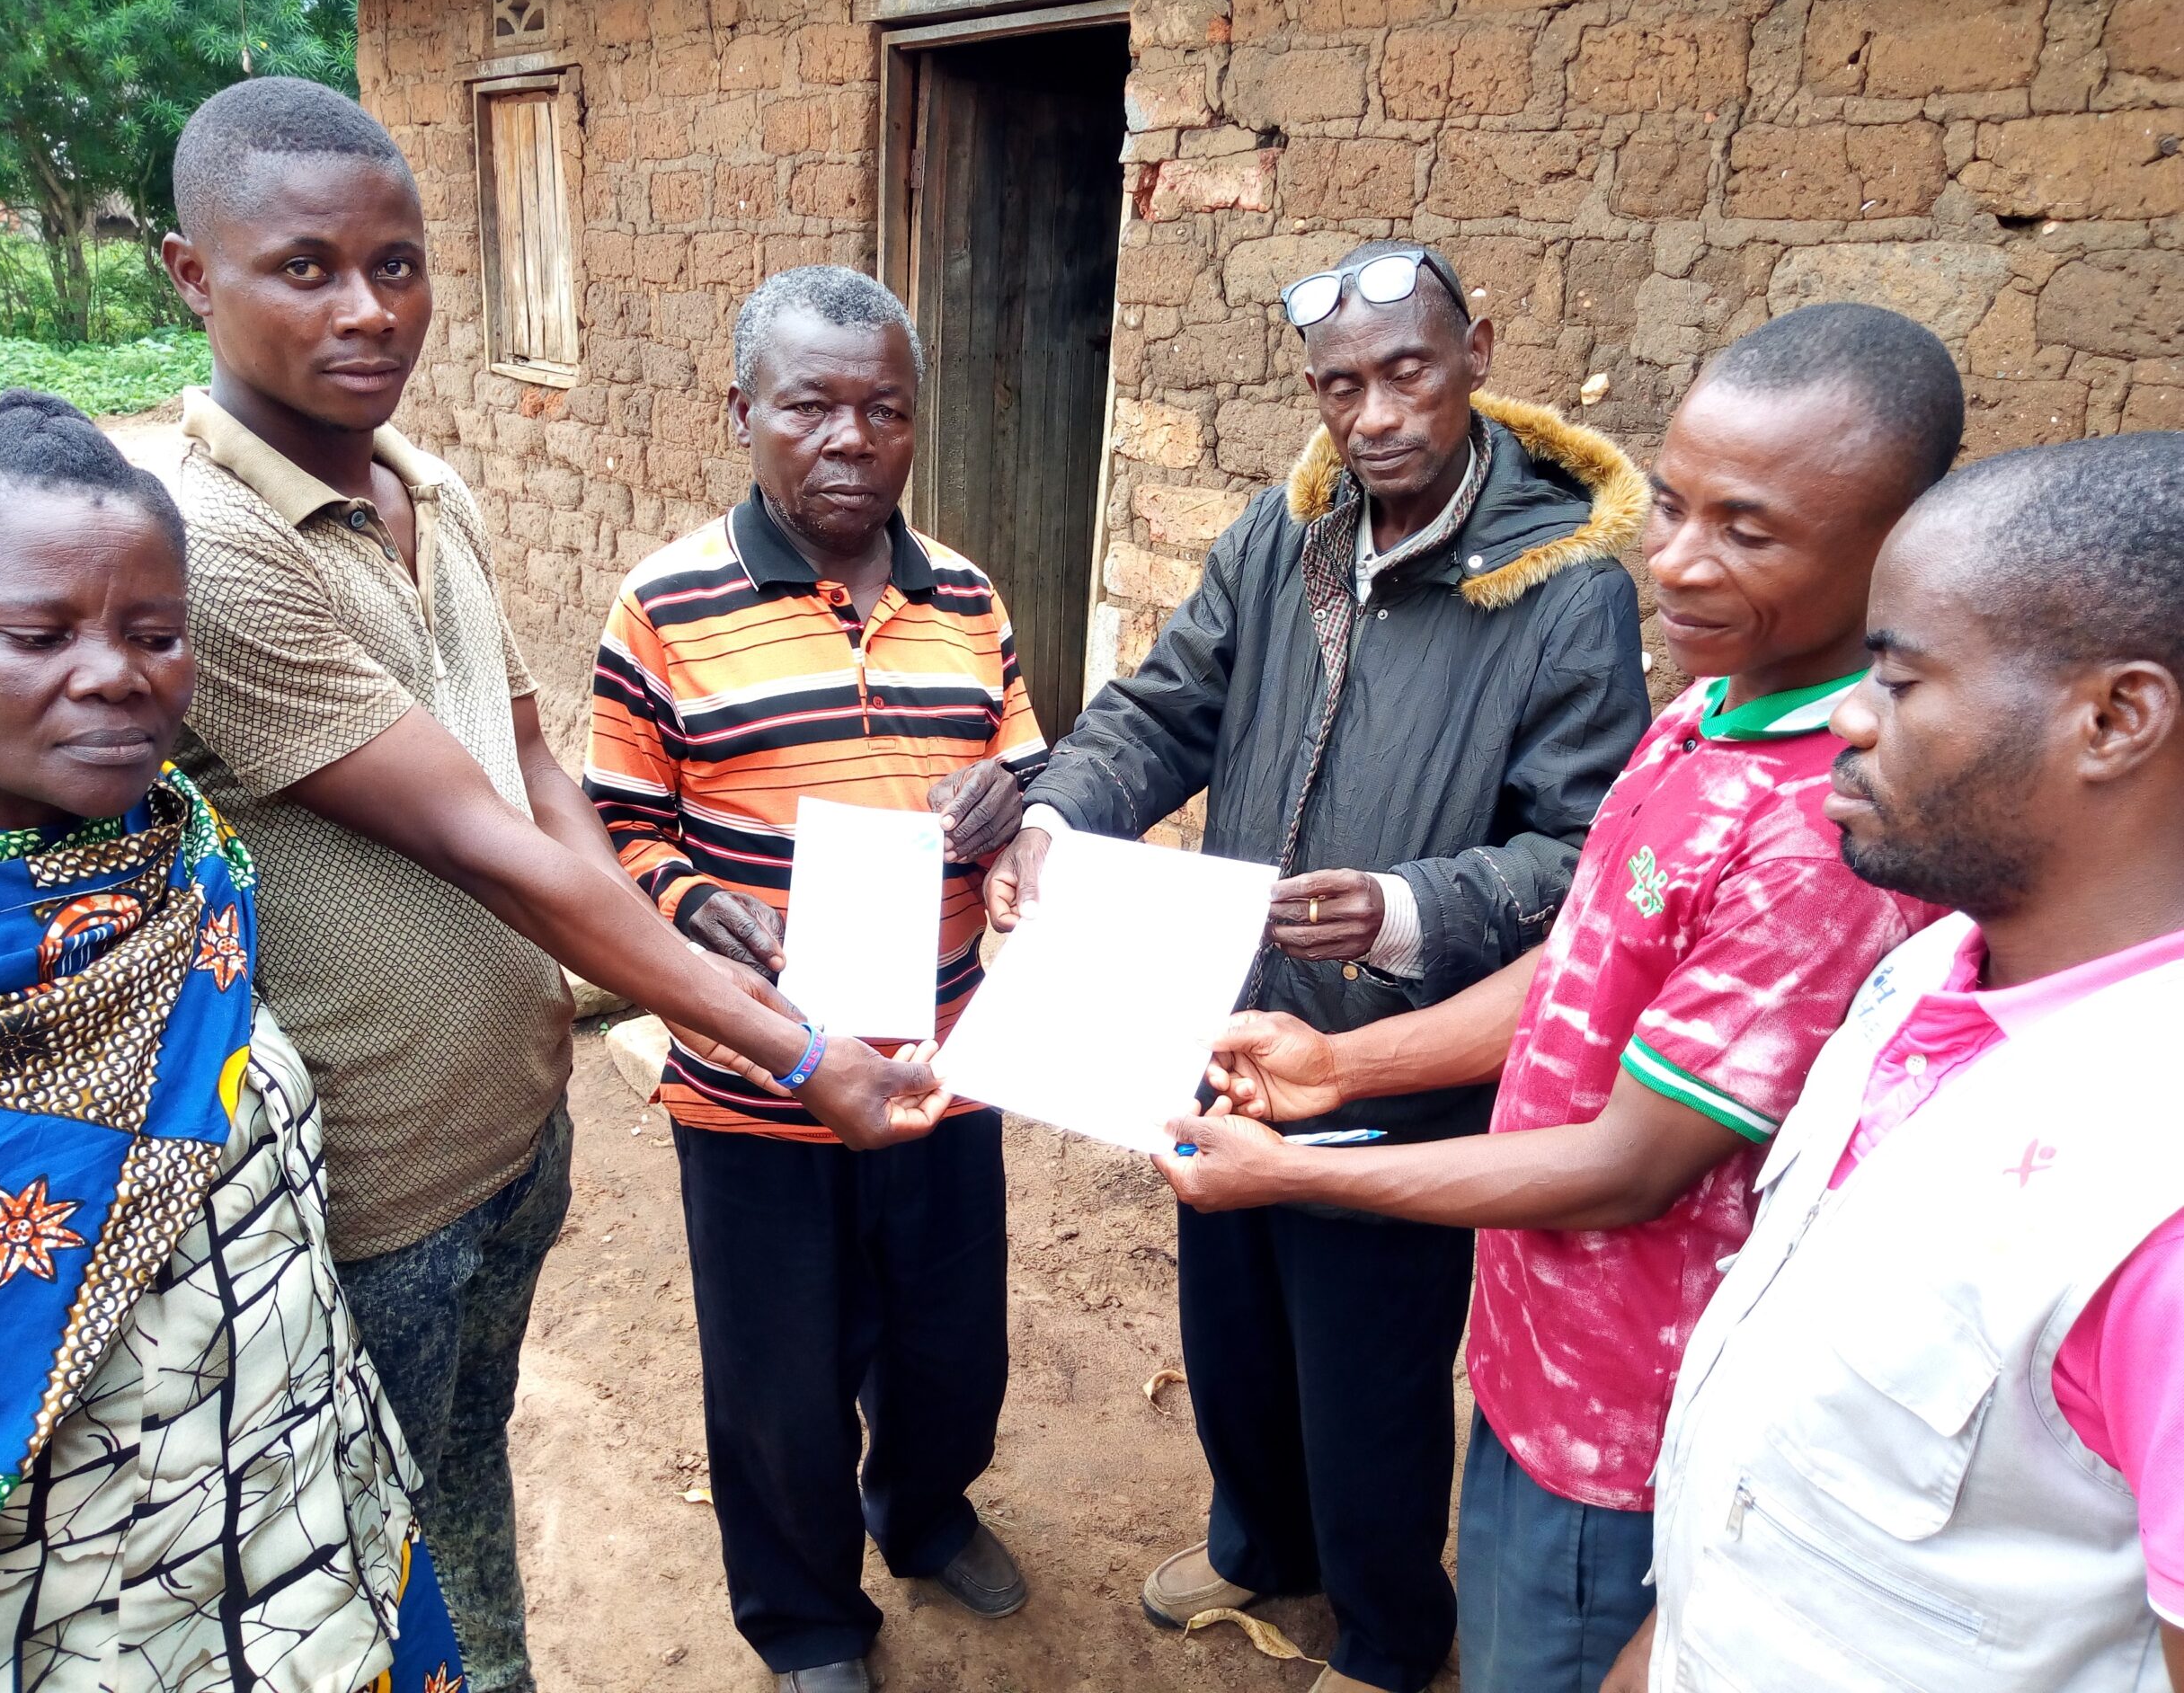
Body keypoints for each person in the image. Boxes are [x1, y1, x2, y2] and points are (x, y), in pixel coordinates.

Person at [157, 79, 936, 1693]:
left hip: (506, 1136)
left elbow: (537, 775)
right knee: (372, 1547)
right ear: (191, 276)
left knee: (463, 1476)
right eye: (305, 268)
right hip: (370, 1178)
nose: (369, 310)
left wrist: (682, 963)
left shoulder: (426, 491)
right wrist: (778, 1041)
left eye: (399, 263)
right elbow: (482, 840)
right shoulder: (212, 549)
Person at [1165, 303, 1962, 1693]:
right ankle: (1283, 1554)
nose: (1675, 561)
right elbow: (1584, 954)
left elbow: (1623, 1169)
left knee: (1511, 1587)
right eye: (1671, 506)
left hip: (1635, 1416)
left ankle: (1383, 1630)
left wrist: (1312, 1144)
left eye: (1747, 530)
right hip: (1538, 1355)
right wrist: (1341, 1070)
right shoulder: (1710, 709)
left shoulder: (1823, 832)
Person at [986, 240, 1653, 1693]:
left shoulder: (1562, 589)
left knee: (1369, 1376)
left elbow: (1585, 848)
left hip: (1397, 1056)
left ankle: (1390, 1629)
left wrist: (1413, 908)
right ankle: (1258, 1545)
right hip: (1224, 1023)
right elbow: (1163, 711)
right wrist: (1050, 820)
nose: (1375, 415)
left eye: (1408, 371)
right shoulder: (1280, 540)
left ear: (1477, 349)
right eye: (1340, 386)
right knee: (1229, 1325)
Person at [0, 391, 462, 1691]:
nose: (116, 673)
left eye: (156, 634)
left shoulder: (184, 857)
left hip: (307, 1544)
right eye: (39, 634)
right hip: (47, 1618)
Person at [1636, 431, 2184, 1693]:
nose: (1846, 715)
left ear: (2113, 719)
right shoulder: (1927, 974)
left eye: (1898, 680)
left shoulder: (2154, 1209)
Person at [582, 266, 1044, 1693]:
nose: (851, 440)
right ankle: (805, 1621)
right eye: (813, 407)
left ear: (915, 426)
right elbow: (616, 829)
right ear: (744, 413)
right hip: (757, 1083)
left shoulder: (966, 595)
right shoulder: (662, 606)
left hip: (949, 1069)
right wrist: (695, 900)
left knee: (947, 1347)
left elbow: (1023, 756)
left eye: (884, 410)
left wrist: (1012, 807)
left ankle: (922, 1512)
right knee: (778, 1387)